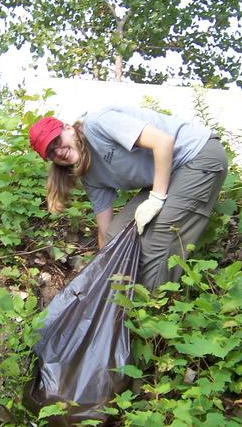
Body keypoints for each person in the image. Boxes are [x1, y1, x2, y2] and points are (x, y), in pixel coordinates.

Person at [28, 105, 228, 290]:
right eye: (51, 152)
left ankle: (155, 306)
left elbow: (163, 142)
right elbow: (105, 229)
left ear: (69, 129)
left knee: (160, 238)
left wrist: (157, 199)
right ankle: (120, 296)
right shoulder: (88, 172)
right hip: (171, 172)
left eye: (57, 141)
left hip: (197, 155)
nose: (58, 151)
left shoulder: (98, 125)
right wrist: (101, 271)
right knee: (116, 234)